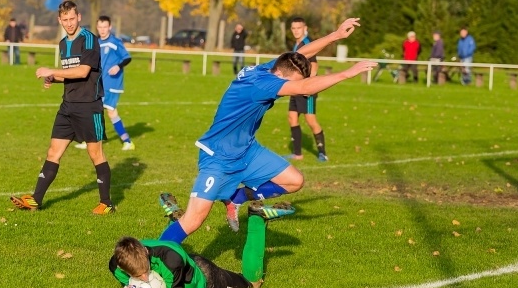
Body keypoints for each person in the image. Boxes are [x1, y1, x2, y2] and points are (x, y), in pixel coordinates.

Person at [157, 18, 376, 240]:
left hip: (247, 150)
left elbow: (301, 55)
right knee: (194, 220)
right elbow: (303, 87)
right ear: (281, 76)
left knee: (294, 180)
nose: (295, 92)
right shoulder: (263, 84)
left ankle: (236, 198)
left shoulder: (268, 69)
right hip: (219, 155)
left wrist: (336, 35)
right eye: (291, 84)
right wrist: (347, 73)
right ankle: (155, 257)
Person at [10, 0, 115, 215]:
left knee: (95, 154)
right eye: (64, 20)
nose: (68, 23)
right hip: (68, 105)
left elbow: (83, 72)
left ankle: (107, 203)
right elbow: (70, 75)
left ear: (79, 17)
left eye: (72, 19)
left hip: (89, 106)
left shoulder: (89, 40)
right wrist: (54, 78)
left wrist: (53, 70)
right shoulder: (62, 43)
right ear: (59, 20)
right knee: (53, 152)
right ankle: (36, 200)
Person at [110, 208, 274, 288]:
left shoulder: (171, 259)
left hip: (204, 275)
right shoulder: (116, 265)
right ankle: (175, 220)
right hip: (174, 260)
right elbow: (130, 283)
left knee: (251, 287)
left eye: (146, 271)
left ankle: (257, 217)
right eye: (138, 276)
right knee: (166, 250)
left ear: (145, 252)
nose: (145, 278)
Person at [75, 16, 135, 150]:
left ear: (110, 27)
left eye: (105, 27)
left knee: (103, 111)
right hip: (99, 83)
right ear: (97, 27)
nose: (102, 30)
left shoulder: (115, 42)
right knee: (101, 111)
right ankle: (124, 141)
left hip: (112, 84)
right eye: (100, 27)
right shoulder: (96, 42)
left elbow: (127, 58)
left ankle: (126, 141)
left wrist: (118, 66)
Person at [286, 17, 328, 162]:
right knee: (292, 117)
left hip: (306, 89)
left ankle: (322, 153)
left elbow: (314, 66)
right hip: (296, 87)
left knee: (310, 120)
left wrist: (308, 86)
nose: (296, 31)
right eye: (293, 28)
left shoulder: (307, 43)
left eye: (299, 28)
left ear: (305, 28)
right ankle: (298, 154)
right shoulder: (297, 44)